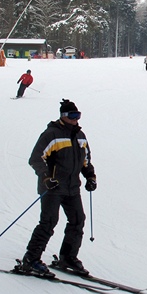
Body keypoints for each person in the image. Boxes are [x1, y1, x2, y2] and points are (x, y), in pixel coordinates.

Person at [21, 99, 97, 277]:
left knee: (78, 220)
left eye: (78, 115)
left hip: (72, 188)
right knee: (48, 222)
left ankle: (68, 257)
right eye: (72, 115)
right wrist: (46, 177)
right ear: (64, 116)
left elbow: (86, 160)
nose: (76, 119)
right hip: (53, 187)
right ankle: (31, 259)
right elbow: (36, 158)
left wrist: (90, 176)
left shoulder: (80, 136)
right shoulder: (52, 134)